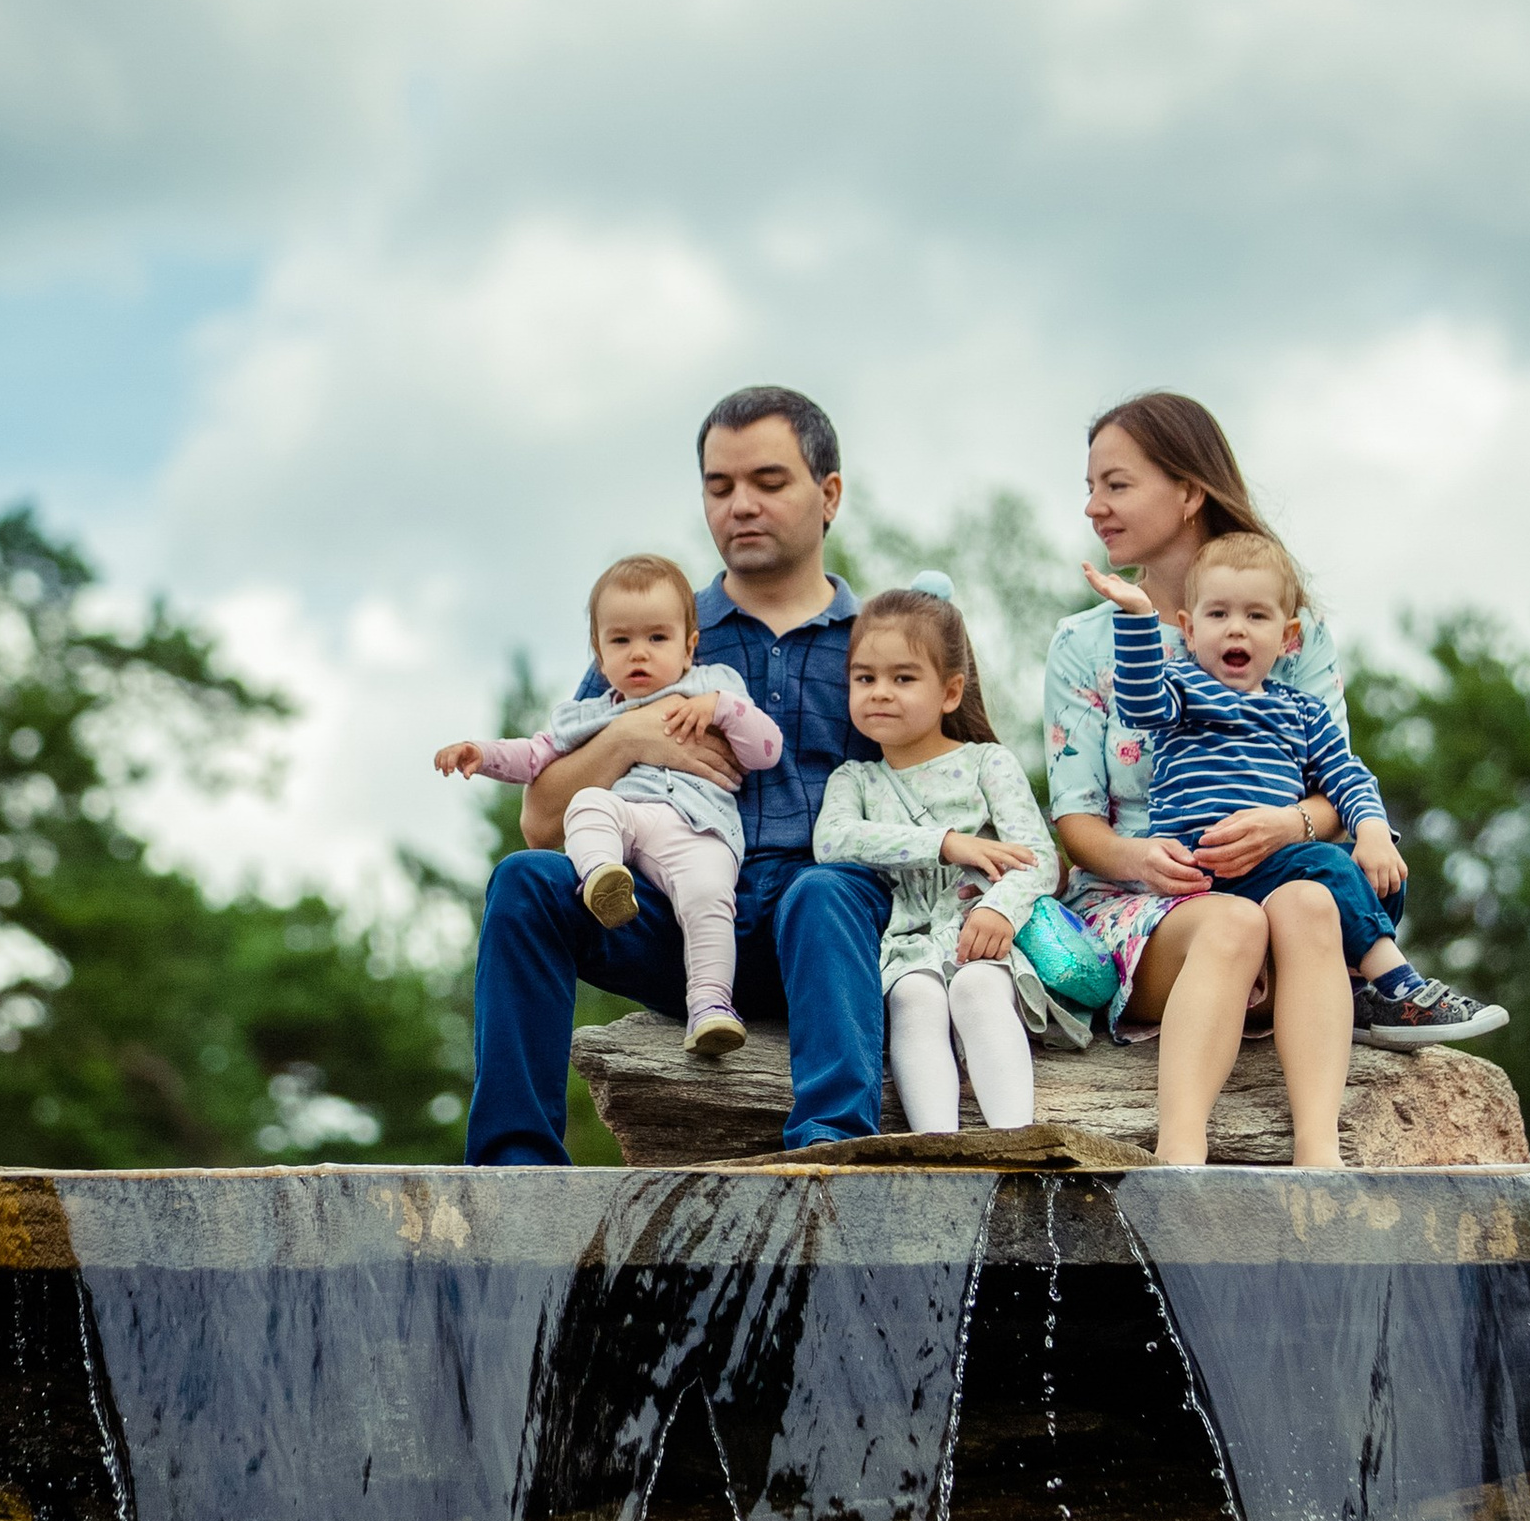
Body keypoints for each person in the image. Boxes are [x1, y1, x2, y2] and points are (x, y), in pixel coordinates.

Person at [464, 390, 893, 1162]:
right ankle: (512, 1169)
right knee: (525, 881)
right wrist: (630, 734)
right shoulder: (655, 631)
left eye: (768, 481)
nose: (741, 506)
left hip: (822, 940)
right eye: (719, 486)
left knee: (827, 891)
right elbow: (541, 819)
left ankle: (831, 1153)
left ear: (828, 493)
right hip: (672, 922)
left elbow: (962, 787)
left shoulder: (884, 641)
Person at [1091, 528, 1504, 1165]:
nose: (1236, 630)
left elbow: (1348, 778)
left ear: (1288, 639)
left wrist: (1370, 829)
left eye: (1256, 616)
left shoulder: (1301, 713)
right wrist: (1139, 620)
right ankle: (1395, 985)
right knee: (1327, 865)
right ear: (1188, 627)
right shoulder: (1180, 694)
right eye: (1218, 614)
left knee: (1322, 884)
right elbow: (1140, 697)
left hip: (1278, 869)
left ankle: (1318, 1148)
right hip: (1202, 873)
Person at [436, 553, 781, 1061]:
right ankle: (602, 878)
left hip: (700, 828)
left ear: (689, 647)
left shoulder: (715, 686)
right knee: (590, 802)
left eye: (656, 639)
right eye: (621, 640)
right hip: (630, 821)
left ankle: (710, 1006)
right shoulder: (591, 715)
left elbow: (765, 751)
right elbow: (534, 756)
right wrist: (482, 754)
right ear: (599, 654)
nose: (638, 653)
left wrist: (722, 711)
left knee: (708, 895)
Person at [813, 580, 1082, 1138]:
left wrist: (1001, 911)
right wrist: (946, 843)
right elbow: (832, 842)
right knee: (913, 997)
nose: (879, 692)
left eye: (903, 678)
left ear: (950, 692)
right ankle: (936, 1149)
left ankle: (1015, 1142)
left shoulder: (988, 763)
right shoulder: (856, 779)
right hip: (907, 938)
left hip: (980, 930)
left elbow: (1038, 858)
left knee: (977, 988)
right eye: (864, 678)